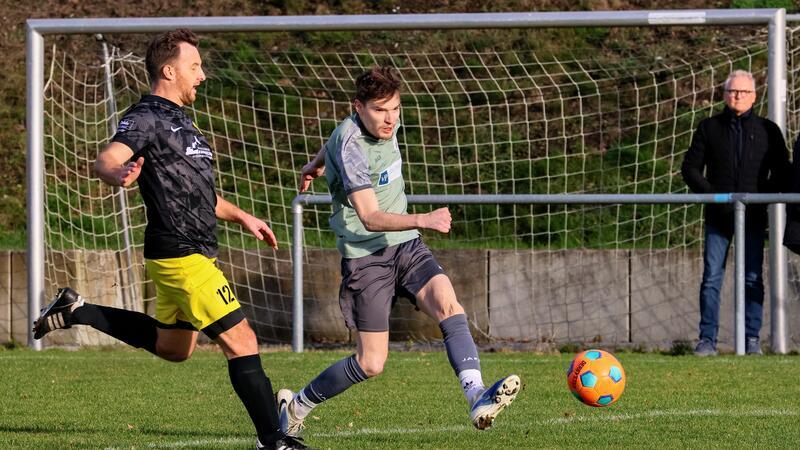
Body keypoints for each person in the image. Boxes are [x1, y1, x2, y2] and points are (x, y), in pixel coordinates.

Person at [32, 29, 308, 450]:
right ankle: (274, 439)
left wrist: (243, 216)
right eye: (194, 66)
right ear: (169, 70)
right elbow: (105, 159)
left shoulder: (184, 123)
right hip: (181, 253)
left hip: (191, 252)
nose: (202, 75)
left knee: (174, 348)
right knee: (243, 341)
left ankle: (77, 311)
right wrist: (117, 175)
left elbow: (198, 192)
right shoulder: (145, 117)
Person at [280, 66, 520, 438]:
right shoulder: (352, 145)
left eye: (395, 108)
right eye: (380, 110)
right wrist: (423, 217)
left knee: (449, 305)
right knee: (371, 362)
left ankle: (476, 395)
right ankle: (296, 406)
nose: (390, 119)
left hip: (406, 247)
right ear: (358, 107)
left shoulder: (377, 126)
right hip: (367, 257)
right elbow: (371, 217)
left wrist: (314, 165)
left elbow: (329, 145)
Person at [681, 69, 789, 356]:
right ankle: (707, 340)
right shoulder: (709, 127)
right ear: (724, 94)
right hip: (718, 218)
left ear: (754, 96)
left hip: (752, 218)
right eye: (732, 91)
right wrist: (712, 196)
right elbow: (690, 168)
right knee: (712, 277)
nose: (737, 96)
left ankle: (751, 339)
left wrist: (759, 196)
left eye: (743, 92)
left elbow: (783, 171)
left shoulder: (768, 131)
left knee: (753, 277)